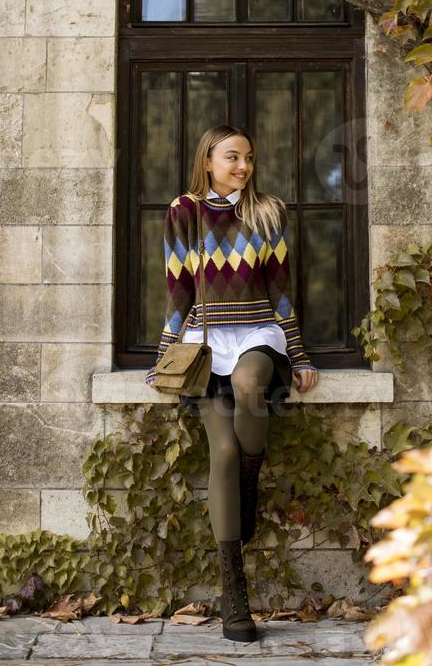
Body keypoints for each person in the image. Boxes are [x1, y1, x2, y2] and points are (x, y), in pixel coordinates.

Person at [145, 124, 318, 642]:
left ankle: (252, 471)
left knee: (248, 385)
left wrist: (299, 350)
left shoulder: (267, 212)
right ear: (208, 161)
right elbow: (177, 287)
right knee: (218, 452)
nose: (243, 166)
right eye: (232, 157)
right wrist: (164, 352)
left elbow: (282, 290)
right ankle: (232, 590)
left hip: (259, 333)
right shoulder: (184, 212)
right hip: (203, 342)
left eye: (248, 158)